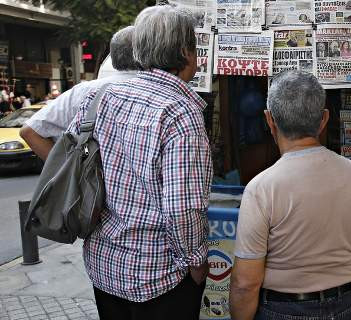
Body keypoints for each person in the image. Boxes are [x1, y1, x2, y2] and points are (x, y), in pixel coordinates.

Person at [67, 5, 213, 319]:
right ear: (186, 53)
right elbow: (182, 207)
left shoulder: (102, 97)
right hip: (158, 277)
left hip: (104, 266)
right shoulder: (180, 113)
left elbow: (72, 160)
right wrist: (197, 260)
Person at [229, 70, 351, 320]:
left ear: (269, 120)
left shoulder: (262, 188)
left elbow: (245, 283)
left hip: (282, 309)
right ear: (324, 119)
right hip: (344, 305)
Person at [21, 26, 139, 160]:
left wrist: (65, 173)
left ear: (113, 56)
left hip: (90, 179)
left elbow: (29, 131)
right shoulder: (159, 93)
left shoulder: (83, 91)